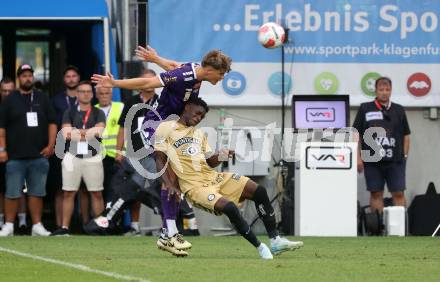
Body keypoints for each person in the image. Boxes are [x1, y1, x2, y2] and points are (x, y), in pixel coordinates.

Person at [89, 48, 230, 255]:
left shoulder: (193, 71)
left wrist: (156, 59)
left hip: (173, 129)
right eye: (221, 73)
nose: (222, 78)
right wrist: (116, 83)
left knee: (176, 182)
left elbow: (173, 65)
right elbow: (148, 83)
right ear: (210, 70)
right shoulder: (185, 75)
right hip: (157, 127)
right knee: (171, 181)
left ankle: (169, 232)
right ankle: (169, 233)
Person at [154, 97, 304, 259]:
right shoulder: (166, 128)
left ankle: (275, 240)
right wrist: (168, 183)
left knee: (259, 191)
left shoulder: (199, 134)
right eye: (197, 114)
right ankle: (260, 247)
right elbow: (159, 158)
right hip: (195, 187)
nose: (198, 118)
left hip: (215, 177)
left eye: (202, 117)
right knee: (230, 208)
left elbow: (210, 162)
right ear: (187, 107)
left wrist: (223, 154)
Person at [0, 64, 56, 236]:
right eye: (23, 75)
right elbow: (1, 128)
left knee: (37, 192)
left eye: (29, 75)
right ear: (19, 78)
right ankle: (9, 225)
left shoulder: (42, 98)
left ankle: (37, 225)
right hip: (15, 155)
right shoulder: (10, 99)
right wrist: (2, 149)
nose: (27, 78)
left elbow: (52, 123)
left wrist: (51, 145)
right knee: (12, 192)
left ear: (33, 77)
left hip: (38, 154)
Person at [51, 81, 106, 236]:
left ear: (92, 94)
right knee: (68, 192)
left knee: (96, 193)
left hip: (93, 156)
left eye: (88, 91)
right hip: (72, 156)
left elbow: (99, 132)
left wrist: (78, 132)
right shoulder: (69, 112)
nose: (86, 94)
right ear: (77, 94)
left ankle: (100, 227)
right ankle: (65, 228)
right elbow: (67, 134)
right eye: (82, 91)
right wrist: (88, 132)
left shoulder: (98, 112)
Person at [353, 77, 410, 216]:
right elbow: (356, 134)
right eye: (381, 89)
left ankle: (400, 229)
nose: (384, 92)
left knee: (398, 193)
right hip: (372, 160)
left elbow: (406, 135)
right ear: (376, 91)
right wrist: (358, 158)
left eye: (387, 89)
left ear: (391, 90)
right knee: (376, 193)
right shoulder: (365, 108)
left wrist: (404, 156)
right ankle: (378, 229)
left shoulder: (399, 110)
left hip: (395, 161)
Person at [49, 65, 80, 228]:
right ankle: (60, 225)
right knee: (61, 188)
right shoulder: (56, 101)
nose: (71, 79)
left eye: (74, 76)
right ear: (64, 80)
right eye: (68, 76)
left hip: (83, 147)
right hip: (62, 149)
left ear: (78, 78)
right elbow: (52, 125)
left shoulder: (87, 98)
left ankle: (84, 225)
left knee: (83, 189)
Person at [0, 77, 28, 232]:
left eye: (10, 91)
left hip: (17, 154)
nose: (6, 93)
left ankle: (22, 222)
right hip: (2, 153)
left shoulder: (21, 106)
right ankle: (2, 221)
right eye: (4, 90)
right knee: (1, 190)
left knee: (18, 189)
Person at [95, 86, 124, 203]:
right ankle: (102, 219)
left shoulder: (120, 107)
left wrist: (121, 151)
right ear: (96, 95)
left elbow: (126, 130)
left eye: (106, 93)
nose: (104, 96)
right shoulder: (93, 109)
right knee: (99, 190)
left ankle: (114, 220)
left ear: (111, 95)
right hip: (98, 157)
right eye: (101, 94)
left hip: (116, 156)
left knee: (116, 190)